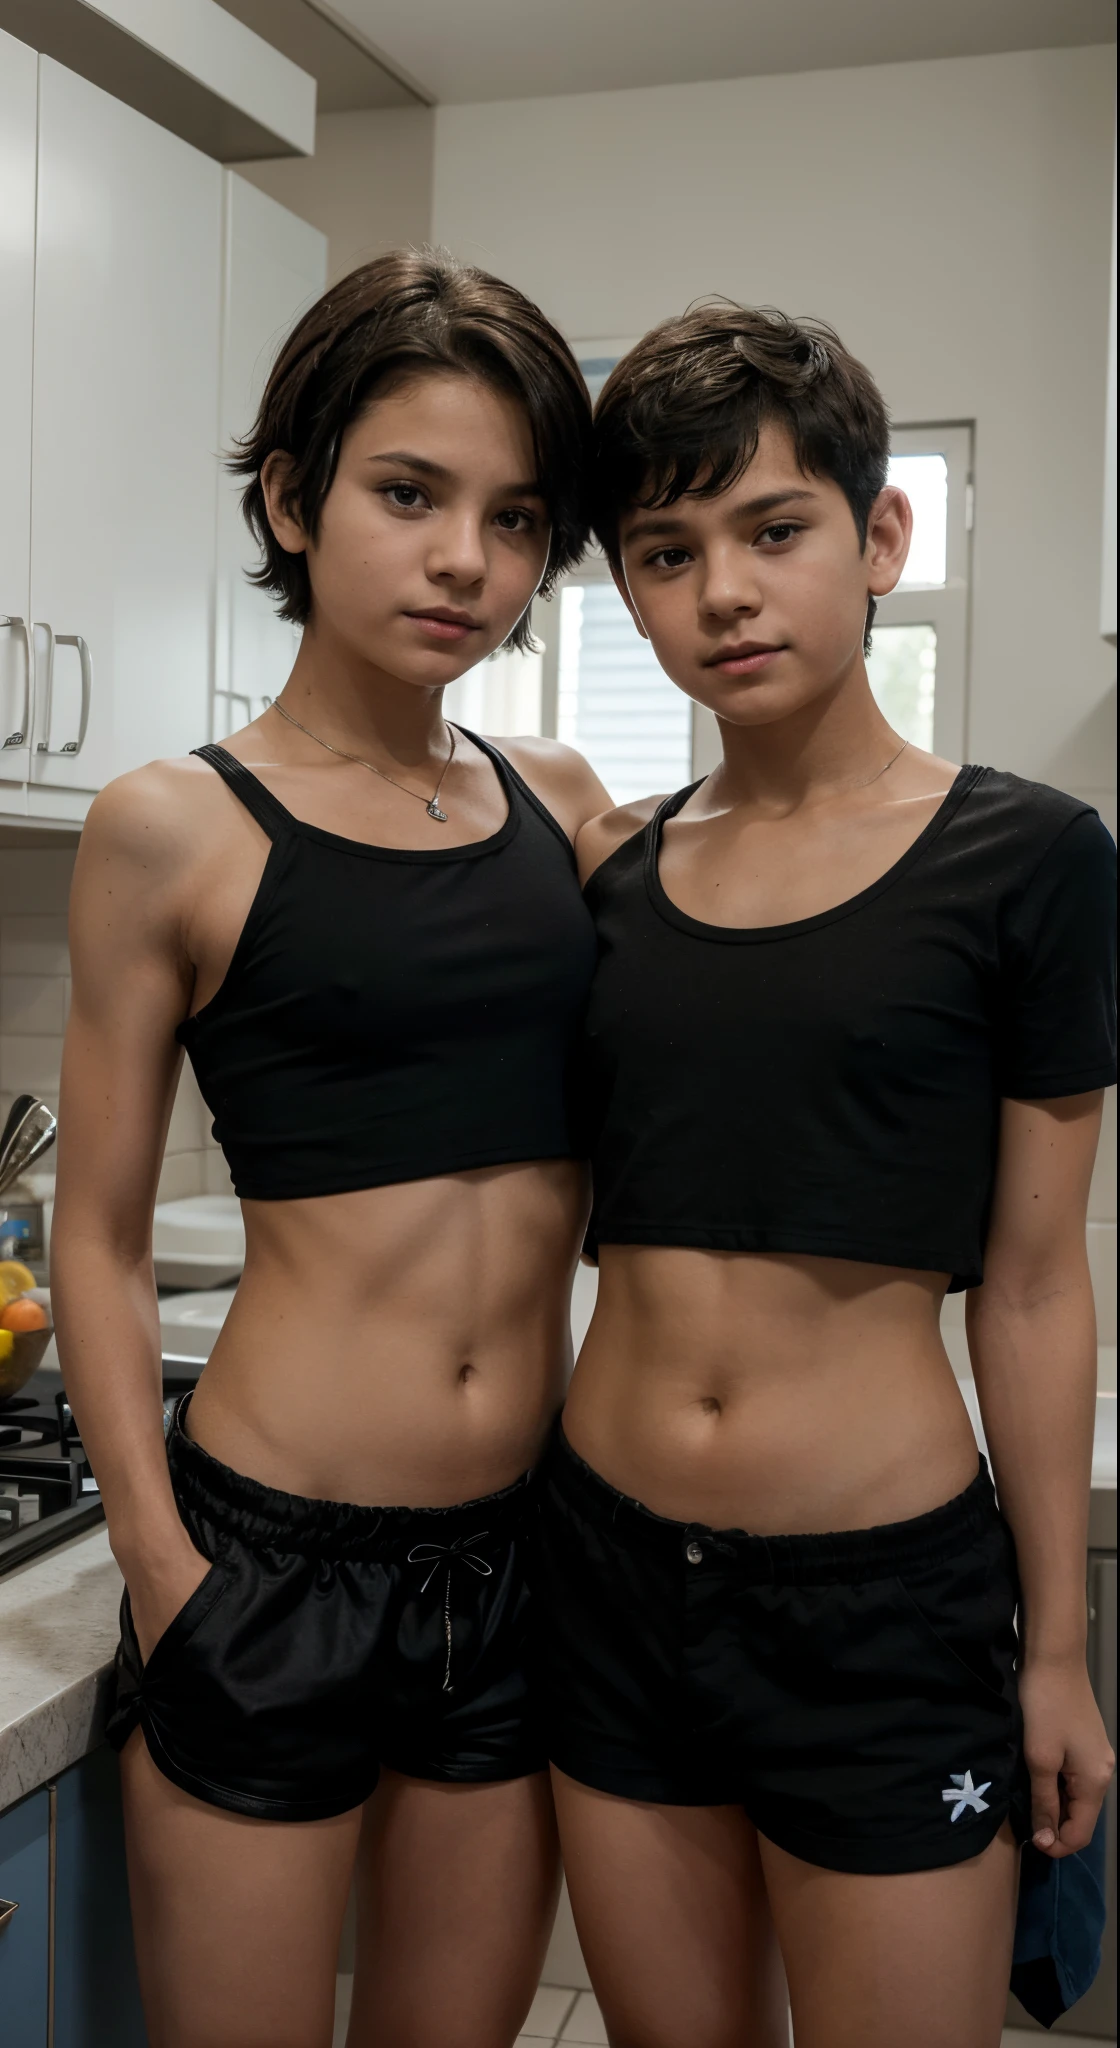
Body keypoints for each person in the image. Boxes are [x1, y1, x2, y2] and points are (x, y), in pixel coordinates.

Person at [536, 302, 1117, 2048]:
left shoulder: (1030, 861)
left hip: (883, 1603)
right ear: (625, 588)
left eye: (774, 531)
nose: (722, 590)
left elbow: (1029, 1283)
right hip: (612, 1576)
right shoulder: (608, 878)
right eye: (666, 550)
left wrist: (1057, 1644)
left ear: (879, 540)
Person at [52, 250, 610, 2048]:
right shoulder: (171, 829)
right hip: (265, 1560)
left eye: (515, 518)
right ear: (291, 500)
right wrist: (162, 1569)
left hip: (513, 1563)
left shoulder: (564, 809)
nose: (467, 559)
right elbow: (104, 1238)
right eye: (408, 493)